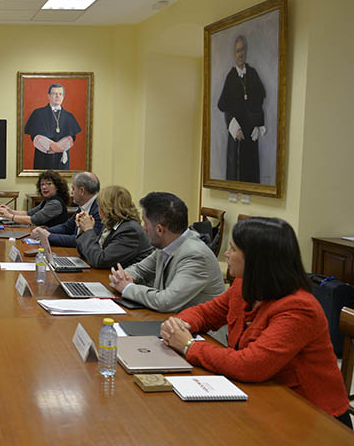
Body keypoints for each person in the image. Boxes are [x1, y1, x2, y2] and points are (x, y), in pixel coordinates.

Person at [161, 218, 352, 428]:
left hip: (314, 419)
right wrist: (178, 325)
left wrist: (189, 346)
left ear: (255, 260)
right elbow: (206, 313)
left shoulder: (299, 308)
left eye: (233, 249)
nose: (225, 254)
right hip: (261, 398)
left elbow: (249, 365)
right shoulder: (244, 286)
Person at [108, 192, 225, 312]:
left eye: (145, 222)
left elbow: (166, 301)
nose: (143, 227)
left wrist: (127, 288)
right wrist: (123, 277)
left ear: (159, 229)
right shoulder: (167, 244)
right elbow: (139, 270)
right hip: (173, 322)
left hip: (202, 329)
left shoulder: (195, 256)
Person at [217, 35, 266, 183]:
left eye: (243, 50)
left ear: (246, 51)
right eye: (238, 51)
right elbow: (224, 106)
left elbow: (259, 100)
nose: (240, 54)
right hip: (237, 134)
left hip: (251, 135)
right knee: (236, 173)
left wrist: (258, 124)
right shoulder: (231, 77)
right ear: (234, 53)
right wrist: (234, 127)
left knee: (251, 172)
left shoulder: (252, 74)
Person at [75, 185, 153, 269]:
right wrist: (83, 229)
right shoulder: (111, 223)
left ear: (107, 208)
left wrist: (88, 230)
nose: (98, 210)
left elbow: (101, 261)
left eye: (99, 206)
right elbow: (87, 253)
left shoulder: (130, 231)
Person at [30, 171, 102, 247]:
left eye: (73, 189)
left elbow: (82, 240)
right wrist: (43, 232)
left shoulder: (99, 210)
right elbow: (67, 227)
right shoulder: (83, 207)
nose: (71, 192)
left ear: (82, 191)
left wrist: (49, 236)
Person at [24, 83, 82, 170]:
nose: (57, 96)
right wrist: (50, 145)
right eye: (54, 94)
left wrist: (58, 147)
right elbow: (35, 137)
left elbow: (71, 138)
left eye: (60, 94)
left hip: (62, 161)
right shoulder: (38, 113)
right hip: (43, 159)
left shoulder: (69, 116)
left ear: (63, 97)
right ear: (49, 96)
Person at [0, 170, 69, 228]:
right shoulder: (47, 201)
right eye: (42, 184)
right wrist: (10, 210)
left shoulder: (55, 203)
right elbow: (28, 213)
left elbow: (33, 220)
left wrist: (9, 216)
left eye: (49, 184)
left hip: (55, 238)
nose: (44, 187)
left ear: (57, 187)